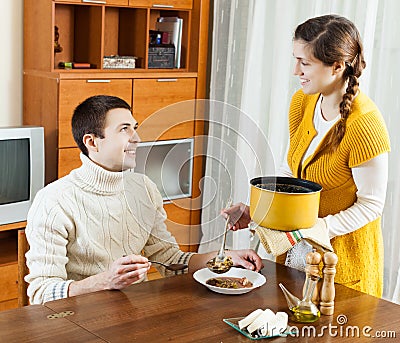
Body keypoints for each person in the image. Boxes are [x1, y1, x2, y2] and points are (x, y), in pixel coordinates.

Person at [25, 95, 263, 304]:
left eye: (134, 127)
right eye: (124, 129)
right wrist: (104, 281)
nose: (136, 138)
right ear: (92, 142)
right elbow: (41, 292)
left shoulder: (144, 189)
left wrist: (225, 257)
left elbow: (171, 261)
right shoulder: (53, 201)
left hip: (133, 312)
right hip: (78, 322)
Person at [223, 15, 390, 298]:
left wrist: (318, 228)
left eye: (305, 63)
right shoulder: (303, 101)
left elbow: (371, 205)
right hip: (296, 257)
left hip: (342, 265)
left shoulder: (364, 125)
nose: (295, 71)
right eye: (295, 59)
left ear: (337, 66)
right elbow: (293, 175)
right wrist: (262, 210)